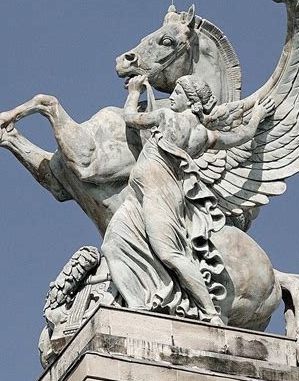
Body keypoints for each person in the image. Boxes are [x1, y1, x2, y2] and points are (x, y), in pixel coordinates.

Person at [101, 74, 274, 324]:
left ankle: (211, 313)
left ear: (191, 102)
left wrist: (134, 92)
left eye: (178, 93)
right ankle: (137, 305)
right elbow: (241, 136)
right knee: (113, 245)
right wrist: (256, 116)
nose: (172, 97)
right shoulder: (205, 136)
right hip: (141, 199)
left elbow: (130, 118)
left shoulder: (166, 117)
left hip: (159, 196)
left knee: (170, 254)